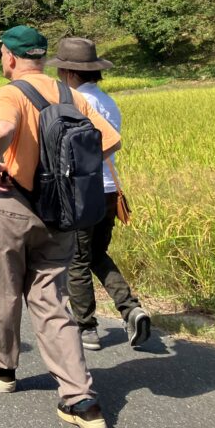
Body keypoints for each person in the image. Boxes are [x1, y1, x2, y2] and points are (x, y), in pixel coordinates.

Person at [0, 25, 120, 428]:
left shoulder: (11, 92)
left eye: (1, 54)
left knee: (3, 288)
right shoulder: (71, 96)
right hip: (62, 216)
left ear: (10, 56)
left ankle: (1, 366)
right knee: (51, 300)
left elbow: (3, 130)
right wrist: (71, 176)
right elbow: (110, 142)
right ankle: (81, 399)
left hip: (15, 206)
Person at [48, 37, 150, 350]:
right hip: (108, 190)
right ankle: (131, 309)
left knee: (78, 260)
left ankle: (86, 327)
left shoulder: (75, 102)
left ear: (69, 72)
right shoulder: (107, 101)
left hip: (83, 192)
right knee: (96, 254)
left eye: (60, 70)